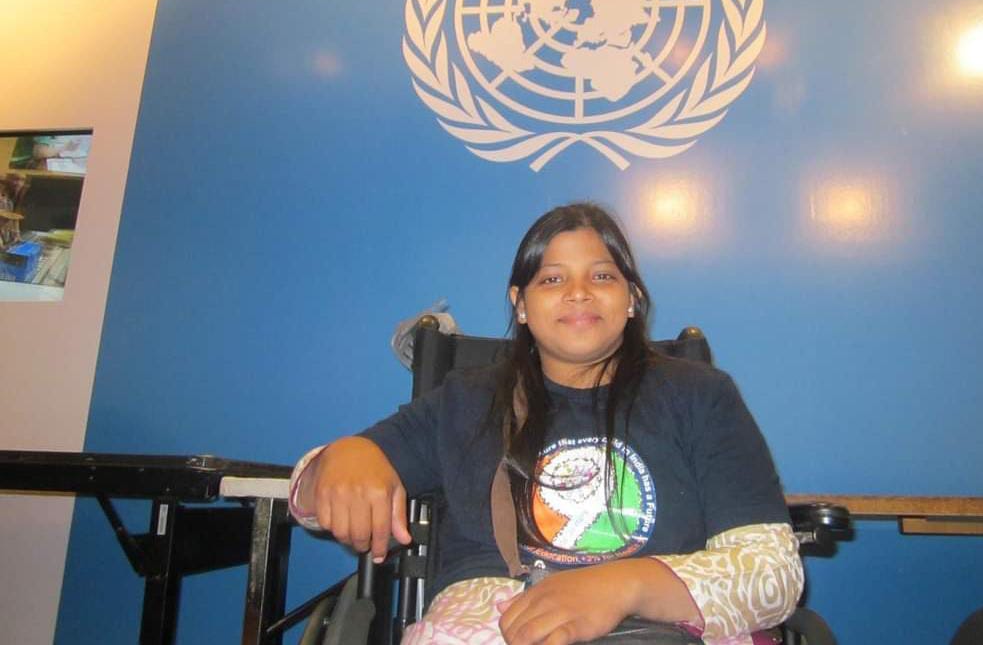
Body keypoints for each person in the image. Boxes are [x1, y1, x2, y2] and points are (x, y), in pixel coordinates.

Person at [290, 203, 803, 645]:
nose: (578, 292)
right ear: (521, 305)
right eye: (552, 278)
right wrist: (340, 459)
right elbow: (309, 504)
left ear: (632, 300)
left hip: (663, 619)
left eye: (602, 276)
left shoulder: (701, 396)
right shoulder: (467, 401)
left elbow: (773, 572)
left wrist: (624, 585)